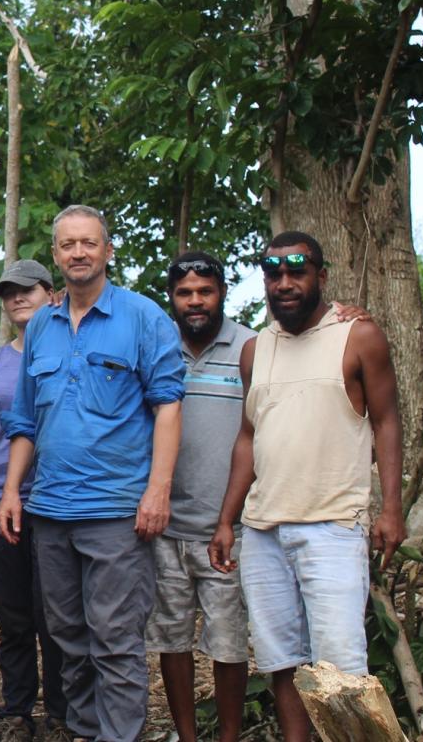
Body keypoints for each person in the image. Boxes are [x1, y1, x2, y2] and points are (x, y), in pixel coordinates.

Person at [0, 205, 185, 742]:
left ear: (107, 250)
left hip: (117, 511)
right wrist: (12, 490)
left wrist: (158, 490)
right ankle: (84, 730)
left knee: (115, 637)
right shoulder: (43, 328)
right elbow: (25, 418)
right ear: (55, 256)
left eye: (89, 243)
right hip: (51, 510)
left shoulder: (143, 317)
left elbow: (168, 405)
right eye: (67, 245)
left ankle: (120, 735)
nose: (78, 253)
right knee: (67, 636)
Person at [210, 231, 405, 742]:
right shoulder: (256, 349)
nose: (285, 282)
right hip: (263, 530)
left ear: (321, 275)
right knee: (283, 663)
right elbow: (249, 437)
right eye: (273, 273)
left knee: (341, 672)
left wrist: (391, 510)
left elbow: (386, 421)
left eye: (297, 271)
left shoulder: (358, 336)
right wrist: (227, 520)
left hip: (333, 527)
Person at [147, 253, 253, 742]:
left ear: (221, 293)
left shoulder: (250, 347)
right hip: (164, 526)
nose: (195, 302)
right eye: (185, 293)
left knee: (229, 644)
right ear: (172, 297)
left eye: (204, 292)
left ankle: (229, 735)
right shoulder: (156, 344)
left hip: (227, 527)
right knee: (171, 638)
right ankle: (187, 735)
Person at [0, 259, 67, 742]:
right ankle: (18, 708)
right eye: (9, 292)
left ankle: (62, 711)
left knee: (55, 612)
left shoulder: (70, 350)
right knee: (12, 614)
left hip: (54, 499)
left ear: (52, 295)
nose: (17, 298)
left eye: (28, 289)